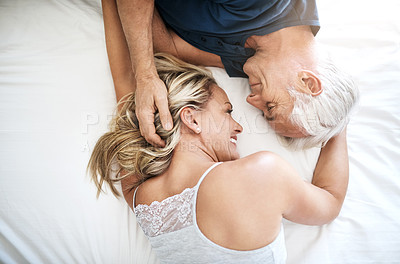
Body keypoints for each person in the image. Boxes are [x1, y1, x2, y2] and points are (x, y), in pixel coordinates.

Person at [88, 54, 349, 263]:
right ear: (191, 119)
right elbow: (331, 202)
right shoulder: (262, 174)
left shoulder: (138, 196)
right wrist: (337, 119)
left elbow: (125, 84)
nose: (238, 127)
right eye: (227, 111)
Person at [101, 0, 359, 149]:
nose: (250, 101)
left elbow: (168, 45)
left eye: (262, 110)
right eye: (270, 105)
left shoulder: (254, 62)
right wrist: (145, 74)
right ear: (308, 82)